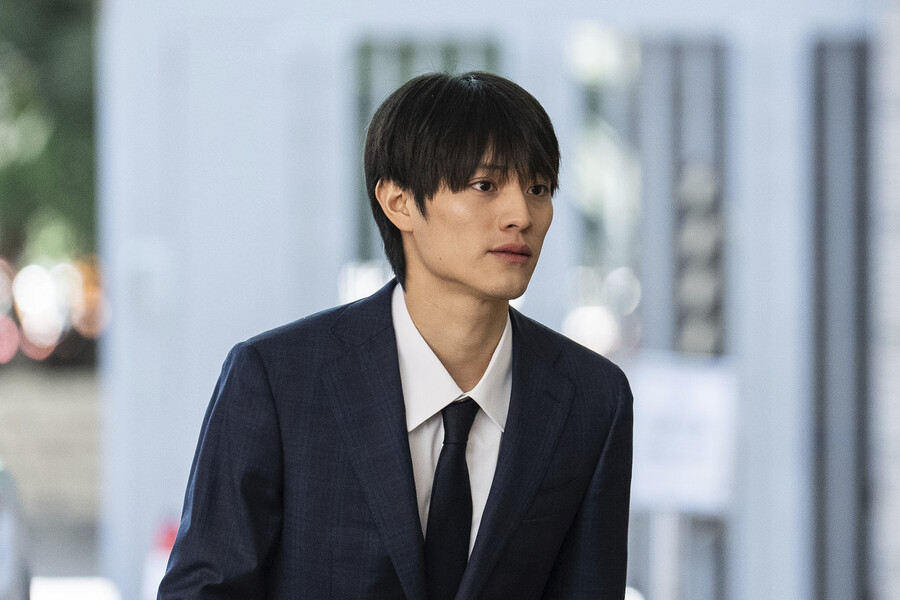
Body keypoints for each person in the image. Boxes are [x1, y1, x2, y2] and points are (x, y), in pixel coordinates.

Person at [157, 71, 633, 600]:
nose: (521, 215)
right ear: (399, 201)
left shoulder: (592, 398)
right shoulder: (277, 380)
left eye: (538, 189)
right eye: (485, 186)